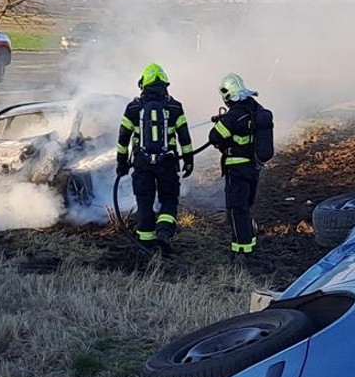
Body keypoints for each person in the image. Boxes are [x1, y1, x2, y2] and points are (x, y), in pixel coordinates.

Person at [117, 63, 193, 251]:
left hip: (141, 163)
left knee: (144, 201)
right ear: (165, 84)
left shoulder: (133, 108)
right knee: (169, 199)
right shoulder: (175, 107)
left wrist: (121, 163)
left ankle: (145, 243)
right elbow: (184, 137)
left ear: (143, 84)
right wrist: (189, 160)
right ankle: (164, 234)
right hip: (167, 162)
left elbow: (123, 139)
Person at [209, 72, 274, 257]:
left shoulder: (235, 115)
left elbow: (214, 137)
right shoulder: (255, 108)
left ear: (228, 94)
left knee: (237, 210)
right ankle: (249, 242)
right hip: (253, 167)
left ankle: (242, 251)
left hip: (237, 169)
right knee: (245, 207)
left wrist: (222, 123)